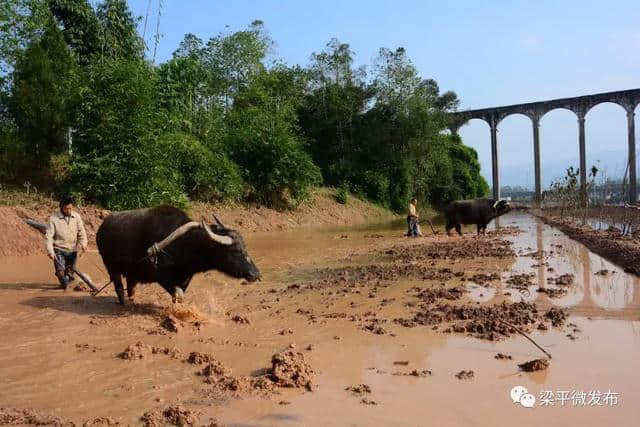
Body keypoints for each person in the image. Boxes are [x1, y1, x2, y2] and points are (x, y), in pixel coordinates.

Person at [45, 195, 88, 289]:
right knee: (60, 273)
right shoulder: (53, 218)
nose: (69, 211)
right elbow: (49, 237)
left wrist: (83, 244)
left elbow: (82, 233)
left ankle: (71, 284)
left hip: (73, 250)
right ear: (61, 207)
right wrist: (50, 251)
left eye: (70, 208)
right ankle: (66, 285)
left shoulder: (76, 217)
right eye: (66, 209)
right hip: (59, 250)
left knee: (70, 273)